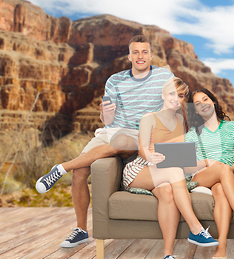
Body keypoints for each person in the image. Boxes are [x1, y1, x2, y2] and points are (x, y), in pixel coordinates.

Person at [35, 35, 174, 248]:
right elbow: (107, 120)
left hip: (141, 133)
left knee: (122, 142)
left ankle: (60, 167)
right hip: (112, 130)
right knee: (80, 171)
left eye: (144, 52)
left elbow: (173, 104)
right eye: (135, 52)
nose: (140, 56)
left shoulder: (164, 75)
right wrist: (105, 114)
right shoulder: (115, 80)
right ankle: (81, 230)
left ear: (151, 55)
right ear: (129, 56)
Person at [122, 78, 218, 259]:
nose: (176, 98)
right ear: (163, 95)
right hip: (141, 169)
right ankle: (196, 229)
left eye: (181, 95)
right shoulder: (149, 117)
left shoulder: (180, 121)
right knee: (174, 172)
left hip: (164, 173)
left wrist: (207, 161)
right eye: (173, 93)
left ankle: (168, 254)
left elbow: (179, 152)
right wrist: (151, 155)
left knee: (168, 193)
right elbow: (142, 148)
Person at [184, 89, 234, 259]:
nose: (203, 104)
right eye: (197, 103)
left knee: (220, 190)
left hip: (228, 175)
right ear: (195, 110)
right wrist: (207, 162)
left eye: (206, 99)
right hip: (202, 177)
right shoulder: (192, 134)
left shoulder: (232, 127)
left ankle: (222, 245)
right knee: (221, 169)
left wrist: (230, 169)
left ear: (213, 102)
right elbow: (188, 166)